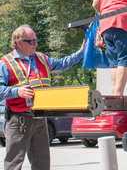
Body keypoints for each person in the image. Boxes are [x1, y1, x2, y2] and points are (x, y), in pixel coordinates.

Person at [0, 24, 85, 170]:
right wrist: (16, 92)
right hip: (18, 120)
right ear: (19, 42)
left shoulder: (41, 58)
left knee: (42, 163)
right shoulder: (5, 63)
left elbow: (62, 64)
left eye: (36, 40)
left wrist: (82, 52)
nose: (36, 44)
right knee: (13, 164)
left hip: (40, 119)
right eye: (31, 41)